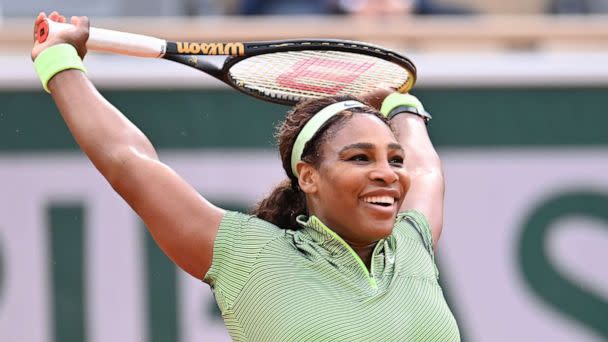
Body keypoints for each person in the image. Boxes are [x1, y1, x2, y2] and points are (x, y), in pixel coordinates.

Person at [32, 11, 460, 341]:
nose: (388, 174)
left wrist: (399, 104)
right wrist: (60, 62)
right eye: (360, 158)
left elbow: (423, 167)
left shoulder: (411, 243)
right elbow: (129, 163)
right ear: (308, 177)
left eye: (393, 160)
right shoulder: (248, 255)